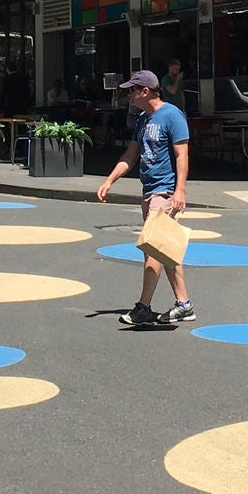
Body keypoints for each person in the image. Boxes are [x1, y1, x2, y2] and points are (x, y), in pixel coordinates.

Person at [95, 70, 193, 328]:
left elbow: (182, 155)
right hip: (148, 191)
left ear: (145, 91)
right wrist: (109, 181)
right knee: (163, 248)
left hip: (164, 191)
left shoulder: (172, 115)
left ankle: (144, 307)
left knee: (153, 247)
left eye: (132, 90)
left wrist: (179, 191)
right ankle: (183, 304)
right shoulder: (142, 120)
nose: (129, 95)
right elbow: (131, 154)